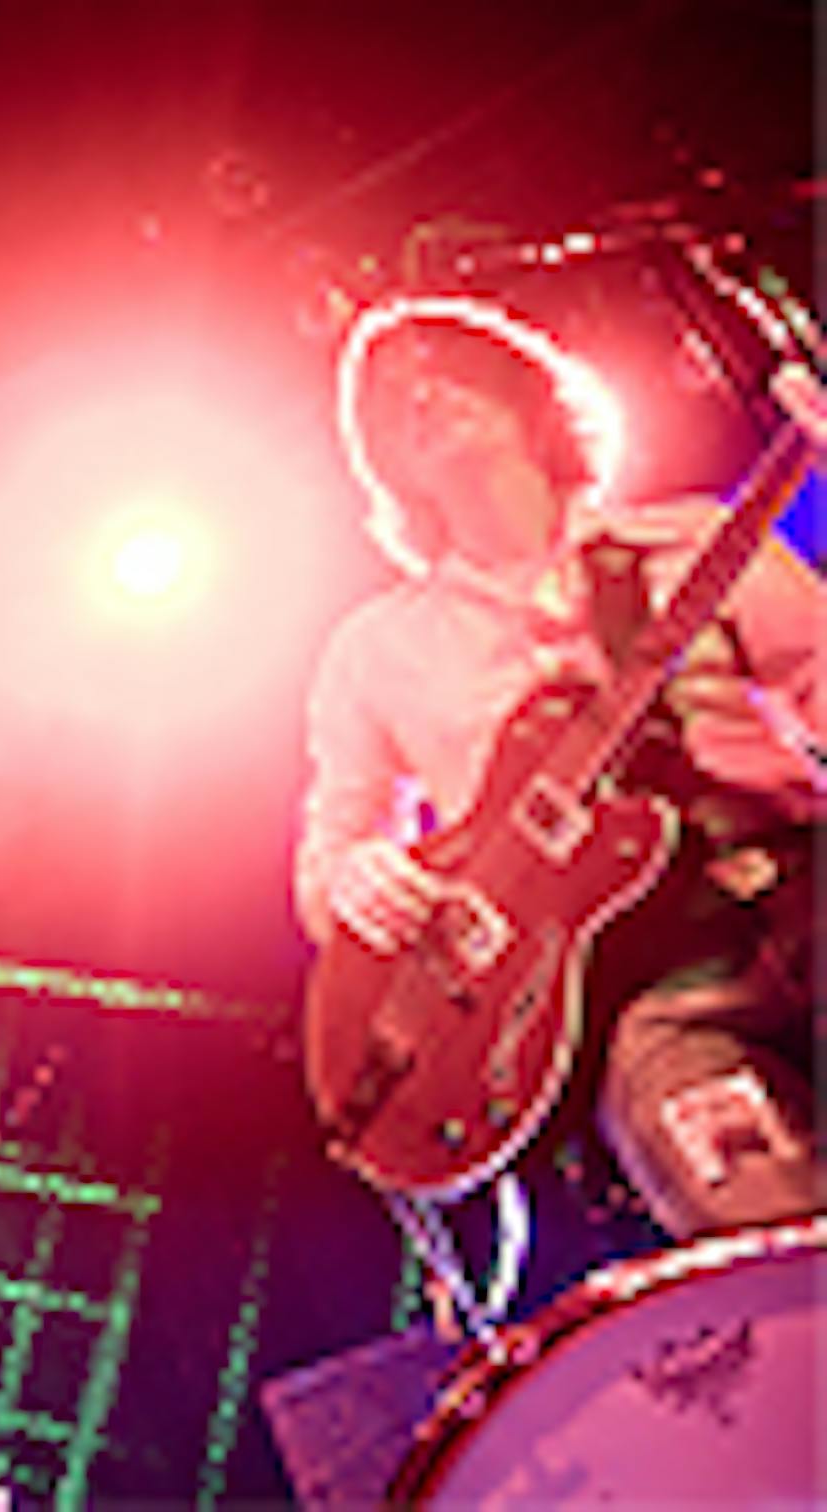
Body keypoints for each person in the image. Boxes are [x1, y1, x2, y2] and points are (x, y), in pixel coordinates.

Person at [294, 294, 825, 1240]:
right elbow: (337, 839)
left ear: (527, 395)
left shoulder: (697, 540)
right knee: (774, 1253)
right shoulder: (373, 650)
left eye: (448, 366)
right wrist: (351, 876)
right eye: (389, 395)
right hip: (656, 1002)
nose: (421, 390)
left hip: (804, 888)